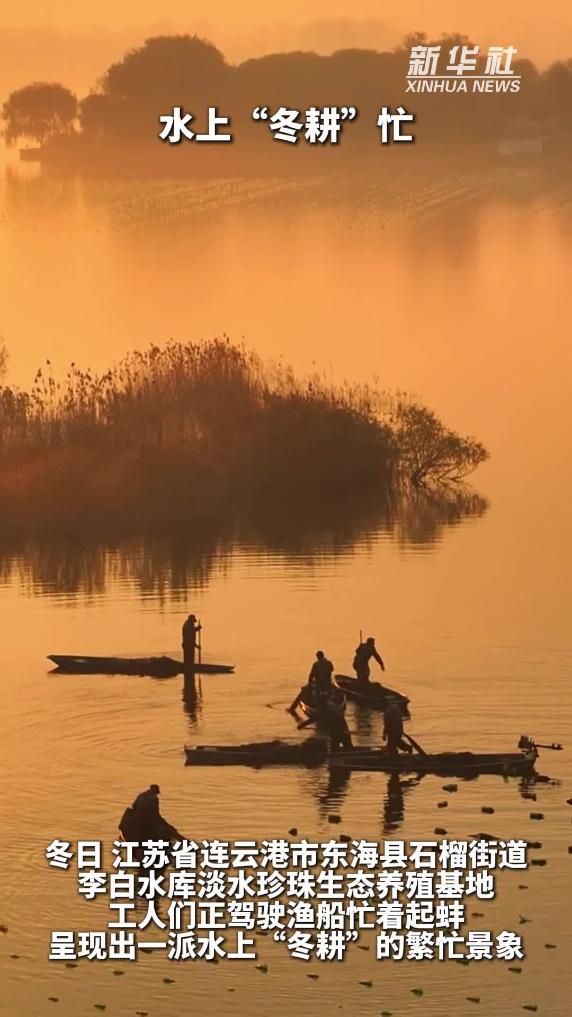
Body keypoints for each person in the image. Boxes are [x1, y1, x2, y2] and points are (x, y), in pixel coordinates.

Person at [288, 651, 334, 715]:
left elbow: (311, 675)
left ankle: (319, 705)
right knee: (328, 692)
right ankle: (326, 703)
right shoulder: (329, 663)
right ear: (323, 656)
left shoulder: (316, 664)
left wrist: (309, 684)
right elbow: (332, 669)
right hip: (327, 684)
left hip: (319, 684)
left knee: (317, 694)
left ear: (317, 657)